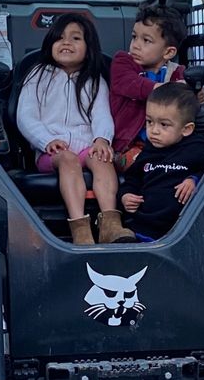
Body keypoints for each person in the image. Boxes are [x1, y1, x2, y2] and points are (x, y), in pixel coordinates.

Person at [16, 13, 135, 245]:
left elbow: (101, 115)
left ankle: (111, 225)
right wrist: (46, 141)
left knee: (102, 160)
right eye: (59, 38)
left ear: (89, 47)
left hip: (86, 147)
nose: (66, 42)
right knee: (68, 160)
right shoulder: (38, 76)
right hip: (52, 152)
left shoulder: (94, 80)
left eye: (75, 38)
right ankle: (80, 228)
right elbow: (26, 117)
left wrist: (102, 140)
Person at [110, 4, 204, 171]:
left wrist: (196, 94)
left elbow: (187, 102)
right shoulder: (123, 63)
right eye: (134, 37)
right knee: (140, 164)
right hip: (131, 145)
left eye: (146, 40)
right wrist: (170, 88)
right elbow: (133, 85)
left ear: (168, 52)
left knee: (199, 158)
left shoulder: (179, 73)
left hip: (171, 143)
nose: (136, 45)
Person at [119, 82, 204, 241]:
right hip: (143, 227)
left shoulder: (198, 149)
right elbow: (132, 178)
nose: (154, 131)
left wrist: (194, 180)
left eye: (164, 125)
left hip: (183, 229)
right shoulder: (148, 151)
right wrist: (126, 195)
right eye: (149, 122)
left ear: (186, 129)